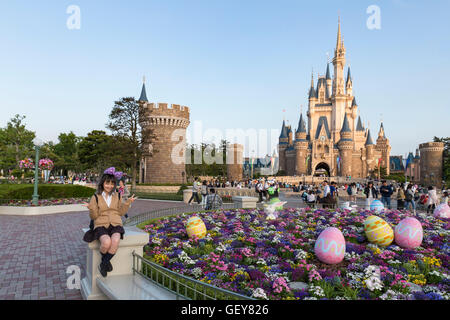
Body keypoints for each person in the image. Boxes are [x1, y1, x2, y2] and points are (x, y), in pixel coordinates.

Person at [83, 167, 137, 278]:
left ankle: (103, 264)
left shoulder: (117, 195)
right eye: (107, 183)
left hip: (115, 223)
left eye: (112, 183)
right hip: (101, 224)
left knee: (115, 240)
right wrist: (91, 208)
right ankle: (106, 262)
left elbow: (121, 212)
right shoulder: (95, 197)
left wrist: (127, 203)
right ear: (103, 183)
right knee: (106, 243)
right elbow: (94, 216)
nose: (110, 186)